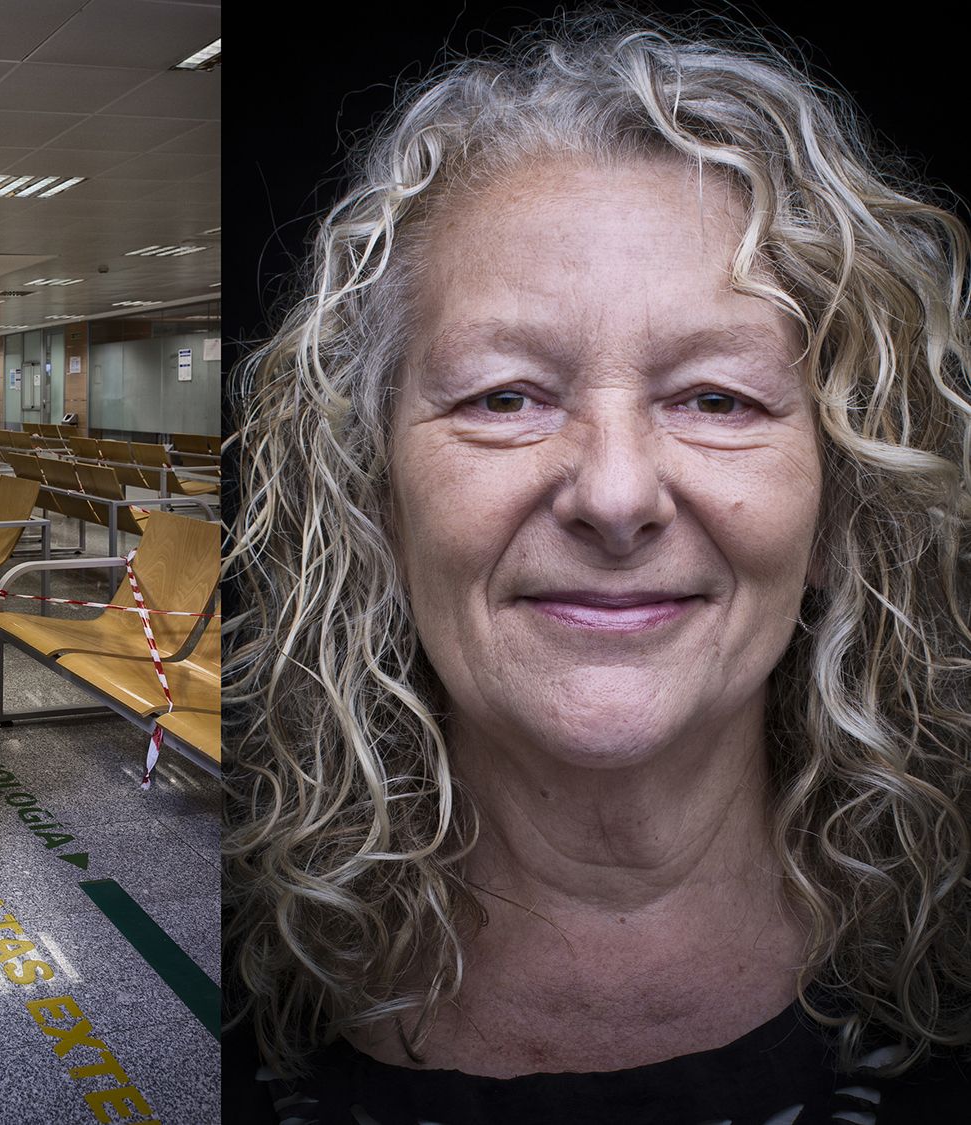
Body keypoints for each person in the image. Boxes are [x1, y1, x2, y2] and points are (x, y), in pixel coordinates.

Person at [224, 12, 971, 1122]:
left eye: (718, 399)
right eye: (505, 397)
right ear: (373, 496)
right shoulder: (226, 1005)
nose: (616, 495)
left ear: (836, 503)